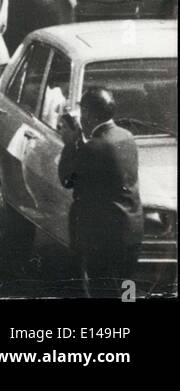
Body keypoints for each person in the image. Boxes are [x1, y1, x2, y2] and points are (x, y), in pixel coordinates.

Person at [57, 87, 144, 299]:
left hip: (103, 237)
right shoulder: (127, 137)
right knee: (126, 287)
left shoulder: (94, 148)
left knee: (101, 289)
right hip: (130, 229)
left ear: (89, 114)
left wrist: (70, 144)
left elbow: (67, 179)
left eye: (83, 112)